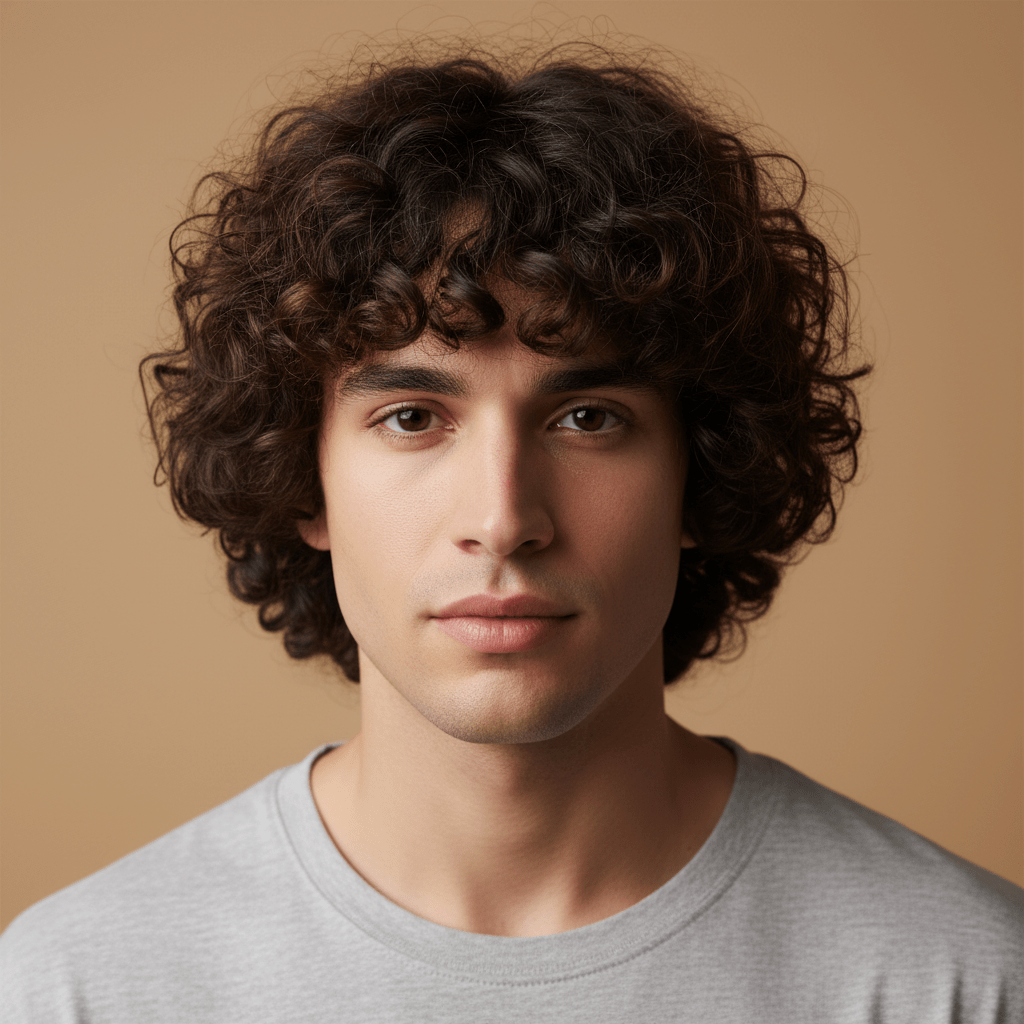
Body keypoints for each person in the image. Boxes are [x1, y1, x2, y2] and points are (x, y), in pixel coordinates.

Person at [2, 39, 1021, 1023]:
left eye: (588, 419)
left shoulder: (963, 981)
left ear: (700, 471)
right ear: (304, 479)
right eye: (412, 417)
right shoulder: (80, 990)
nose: (502, 519)